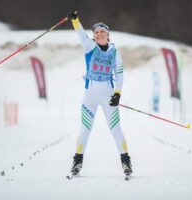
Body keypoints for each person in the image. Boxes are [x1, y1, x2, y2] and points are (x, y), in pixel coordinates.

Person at [67, 10, 133, 176]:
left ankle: (126, 162)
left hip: (108, 95)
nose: (99, 34)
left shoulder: (115, 52)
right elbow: (81, 35)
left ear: (108, 35)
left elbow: (119, 74)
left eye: (102, 31)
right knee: (85, 129)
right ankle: (77, 162)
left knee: (115, 129)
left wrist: (117, 94)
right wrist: (75, 20)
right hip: (90, 96)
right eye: (96, 32)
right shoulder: (89, 47)